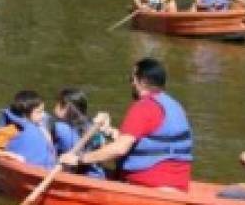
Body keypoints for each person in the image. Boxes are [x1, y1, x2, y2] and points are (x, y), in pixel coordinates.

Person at [60, 58, 192, 191]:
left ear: (143, 81)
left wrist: (80, 159)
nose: (131, 83)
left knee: (85, 170)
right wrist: (111, 132)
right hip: (178, 183)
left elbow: (120, 149)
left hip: (150, 185)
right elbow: (149, 141)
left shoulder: (144, 107)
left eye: (132, 78)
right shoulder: (174, 105)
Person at [0, 90, 57, 170]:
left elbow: (51, 150)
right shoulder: (11, 130)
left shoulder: (42, 129)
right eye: (39, 112)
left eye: (42, 111)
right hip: (22, 170)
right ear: (25, 114)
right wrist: (9, 155)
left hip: (44, 171)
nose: (42, 115)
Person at [50, 88, 108, 179]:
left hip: (81, 177)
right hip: (98, 175)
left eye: (57, 104)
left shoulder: (61, 128)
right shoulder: (92, 125)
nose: (54, 108)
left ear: (65, 108)